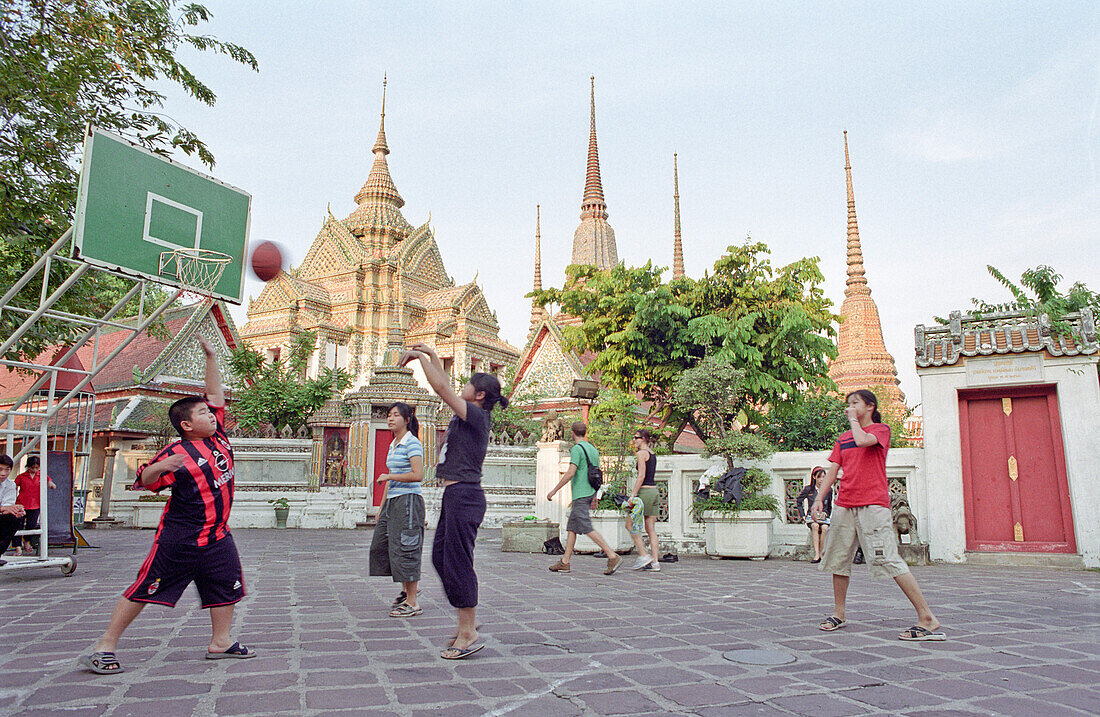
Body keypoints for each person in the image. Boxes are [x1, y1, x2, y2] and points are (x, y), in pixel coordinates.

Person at [78, 335, 254, 675]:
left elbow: (215, 394)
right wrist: (157, 468)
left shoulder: (218, 438)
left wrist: (211, 356)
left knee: (227, 585)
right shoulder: (175, 454)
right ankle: (105, 645)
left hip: (217, 535)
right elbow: (146, 480)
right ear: (187, 425)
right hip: (180, 539)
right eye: (204, 413)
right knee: (145, 588)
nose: (213, 415)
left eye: (210, 412)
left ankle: (221, 642)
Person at [399, 343, 505, 660]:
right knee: (440, 558)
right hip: (455, 495)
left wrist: (420, 359)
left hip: (466, 496)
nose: (464, 385)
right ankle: (466, 619)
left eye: (470, 382)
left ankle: (468, 628)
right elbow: (447, 385)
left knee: (458, 563)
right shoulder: (468, 414)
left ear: (480, 395)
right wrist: (432, 357)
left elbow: (442, 388)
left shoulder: (477, 416)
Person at [813, 389, 945, 641]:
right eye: (848, 404)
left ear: (870, 406)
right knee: (838, 559)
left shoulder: (880, 430)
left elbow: (863, 441)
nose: (849, 407)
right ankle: (839, 613)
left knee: (888, 559)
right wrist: (820, 498)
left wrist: (854, 420)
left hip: (873, 505)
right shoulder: (843, 438)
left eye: (855, 403)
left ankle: (927, 617)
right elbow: (832, 471)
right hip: (845, 505)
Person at [369, 402, 426, 618]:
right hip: (393, 501)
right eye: (389, 415)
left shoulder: (412, 443)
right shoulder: (394, 443)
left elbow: (418, 474)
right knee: (382, 546)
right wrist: (381, 508)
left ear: (407, 419)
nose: (390, 419)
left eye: (395, 415)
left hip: (409, 501)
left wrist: (390, 476)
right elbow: (390, 478)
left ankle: (412, 602)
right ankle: (407, 589)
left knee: (406, 547)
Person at [545, 422, 623, 576]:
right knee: (572, 527)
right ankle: (565, 562)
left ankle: (612, 555)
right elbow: (596, 475)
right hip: (588, 492)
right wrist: (595, 495)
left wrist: (554, 490)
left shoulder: (577, 449)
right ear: (585, 432)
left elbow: (570, 472)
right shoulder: (593, 449)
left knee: (586, 527)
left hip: (580, 493)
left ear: (573, 433)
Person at [626, 428, 661, 571]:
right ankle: (656, 562)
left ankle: (644, 555)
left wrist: (633, 495)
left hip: (644, 493)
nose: (635, 440)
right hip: (654, 492)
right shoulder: (652, 454)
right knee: (651, 529)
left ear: (644, 439)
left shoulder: (641, 454)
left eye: (637, 438)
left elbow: (641, 476)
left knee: (630, 525)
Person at [13, 456, 56, 555]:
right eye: (32, 468)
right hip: (21, 505)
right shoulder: (22, 476)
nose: (34, 470)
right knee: (17, 525)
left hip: (35, 505)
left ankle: (27, 541)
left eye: (37, 468)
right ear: (28, 467)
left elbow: (50, 482)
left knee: (31, 525)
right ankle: (17, 547)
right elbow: (13, 487)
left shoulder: (42, 476)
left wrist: (52, 485)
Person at [796, 466, 831, 563]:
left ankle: (822, 553)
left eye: (824, 477)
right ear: (814, 477)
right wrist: (802, 515)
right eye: (819, 477)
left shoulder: (828, 490)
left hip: (824, 518)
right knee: (815, 526)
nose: (821, 479)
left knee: (825, 528)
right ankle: (816, 554)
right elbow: (799, 501)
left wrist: (827, 515)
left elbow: (829, 506)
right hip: (812, 517)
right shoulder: (808, 489)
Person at [0, 455, 27, 565]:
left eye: (7, 470)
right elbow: (4, 507)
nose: (3, 473)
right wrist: (4, 508)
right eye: (0, 469)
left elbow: (8, 506)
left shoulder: (10, 484)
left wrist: (16, 511)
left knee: (16, 518)